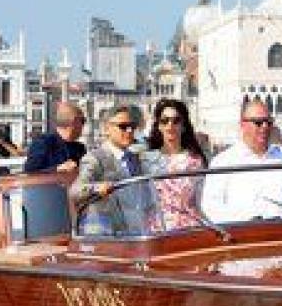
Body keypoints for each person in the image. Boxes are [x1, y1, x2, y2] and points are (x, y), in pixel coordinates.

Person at [201, 99, 282, 223]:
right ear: (243, 125)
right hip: (244, 237)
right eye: (258, 122)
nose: (265, 127)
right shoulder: (223, 162)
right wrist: (246, 221)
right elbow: (211, 207)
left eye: (269, 122)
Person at [72, 105, 145, 234]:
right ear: (107, 129)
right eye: (123, 126)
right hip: (104, 234)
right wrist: (97, 188)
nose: (129, 131)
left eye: (132, 126)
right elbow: (75, 191)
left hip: (133, 233)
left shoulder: (135, 159)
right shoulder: (95, 158)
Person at [144, 98, 207, 230]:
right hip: (156, 231)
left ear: (183, 126)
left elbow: (202, 201)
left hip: (188, 230)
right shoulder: (146, 160)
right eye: (164, 120)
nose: (170, 125)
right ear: (159, 126)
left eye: (176, 120)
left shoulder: (195, 161)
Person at [24, 103, 87, 174]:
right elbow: (30, 173)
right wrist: (57, 169)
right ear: (74, 121)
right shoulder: (43, 143)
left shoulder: (80, 148)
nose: (83, 126)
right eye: (83, 121)